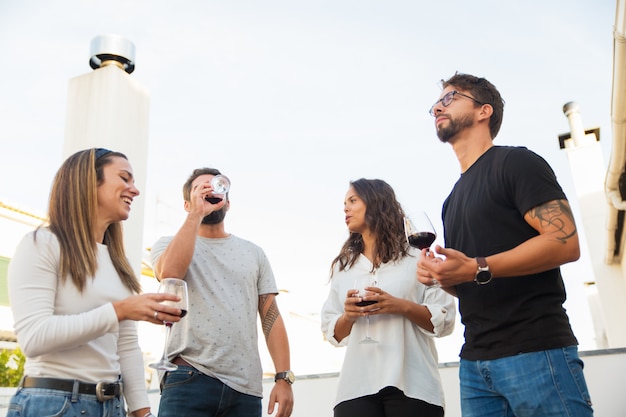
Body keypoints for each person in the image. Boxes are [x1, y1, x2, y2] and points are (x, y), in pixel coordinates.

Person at [417, 72, 594, 416]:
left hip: (537, 354)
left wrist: (477, 266)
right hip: (475, 367)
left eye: (451, 97)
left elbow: (565, 243)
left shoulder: (516, 163)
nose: (438, 106)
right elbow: (475, 280)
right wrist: (446, 276)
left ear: (484, 111)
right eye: (436, 103)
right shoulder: (451, 201)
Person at [7, 148, 182, 417]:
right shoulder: (42, 244)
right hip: (54, 405)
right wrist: (119, 310)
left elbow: (126, 346)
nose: (134, 190)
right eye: (125, 178)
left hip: (111, 406)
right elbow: (34, 338)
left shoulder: (116, 262)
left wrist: (142, 411)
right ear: (89, 182)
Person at [150, 167, 294, 417]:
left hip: (245, 389)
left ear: (227, 201)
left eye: (216, 186)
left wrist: (284, 377)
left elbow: (271, 315)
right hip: (188, 378)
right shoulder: (167, 244)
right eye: (200, 188)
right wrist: (197, 213)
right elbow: (170, 274)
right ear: (186, 204)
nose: (209, 190)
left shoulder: (254, 253)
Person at [320, 178, 456, 417]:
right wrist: (349, 316)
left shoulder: (417, 256)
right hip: (356, 388)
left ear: (376, 203)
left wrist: (399, 306)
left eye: (353, 200)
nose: (345, 208)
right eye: (344, 203)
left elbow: (444, 320)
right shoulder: (344, 267)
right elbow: (333, 332)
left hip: (413, 385)